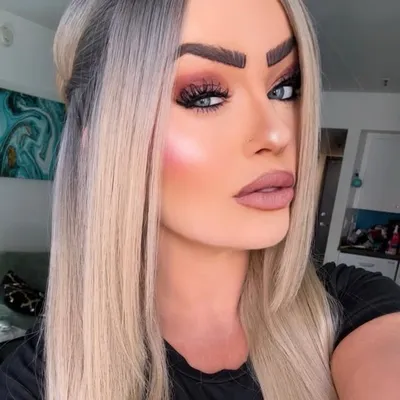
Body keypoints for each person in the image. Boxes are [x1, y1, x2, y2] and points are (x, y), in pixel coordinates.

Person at [1, 0, 400, 399]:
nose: (277, 134)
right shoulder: (37, 383)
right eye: (205, 97)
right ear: (105, 145)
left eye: (284, 88)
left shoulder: (354, 305)